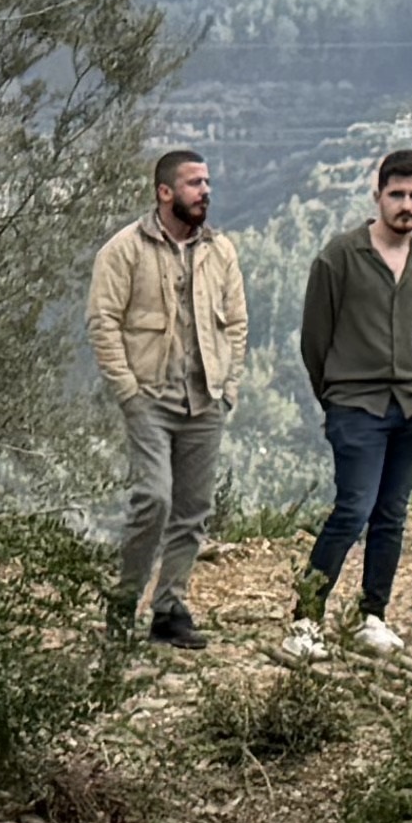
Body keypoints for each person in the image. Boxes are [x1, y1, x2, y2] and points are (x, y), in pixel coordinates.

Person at [88, 146, 253, 646]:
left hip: (204, 400)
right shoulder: (124, 250)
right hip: (150, 400)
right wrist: (128, 391)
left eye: (206, 183)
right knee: (153, 500)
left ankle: (170, 609)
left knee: (192, 510)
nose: (205, 191)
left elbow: (238, 322)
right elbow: (102, 323)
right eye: (193, 183)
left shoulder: (220, 251)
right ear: (164, 193)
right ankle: (123, 604)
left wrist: (228, 387)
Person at [291, 146, 412, 657]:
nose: (406, 204)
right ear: (377, 196)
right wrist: (335, 396)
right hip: (355, 405)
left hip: (411, 405)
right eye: (397, 194)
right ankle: (305, 622)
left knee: (392, 514)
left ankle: (372, 616)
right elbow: (315, 337)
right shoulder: (340, 256)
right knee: (352, 509)